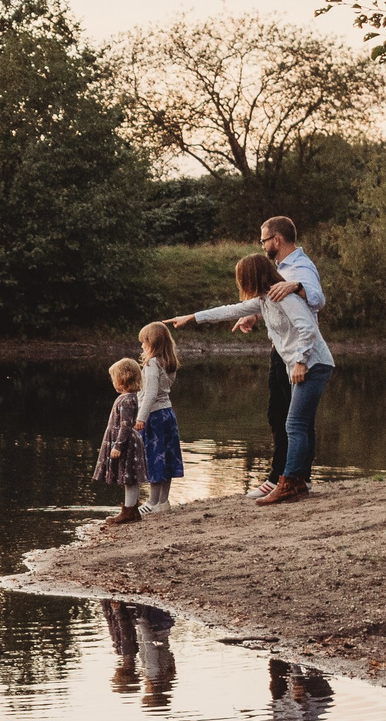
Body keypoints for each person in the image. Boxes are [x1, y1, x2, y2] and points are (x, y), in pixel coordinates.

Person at [167, 253, 335, 505]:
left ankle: (289, 482)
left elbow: (308, 328)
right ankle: (298, 481)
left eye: (241, 278)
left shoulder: (284, 296)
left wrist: (301, 361)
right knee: (299, 423)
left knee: (294, 424)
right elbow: (230, 310)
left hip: (313, 364)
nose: (240, 284)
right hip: (305, 364)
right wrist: (192, 317)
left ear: (251, 277)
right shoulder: (265, 300)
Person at [237, 217, 324, 497]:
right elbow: (275, 303)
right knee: (286, 415)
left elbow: (317, 298)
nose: (262, 246)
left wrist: (297, 286)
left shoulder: (299, 267)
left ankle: (281, 477)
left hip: (297, 351)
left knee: (286, 416)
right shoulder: (281, 268)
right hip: (283, 349)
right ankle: (298, 476)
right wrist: (252, 315)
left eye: (263, 240)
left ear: (276, 240)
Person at [135, 322, 185, 511]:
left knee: (155, 458)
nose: (141, 346)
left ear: (152, 343)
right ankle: (164, 502)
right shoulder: (169, 363)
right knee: (168, 456)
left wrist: (141, 418)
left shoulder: (152, 364)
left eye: (143, 342)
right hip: (168, 414)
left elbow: (150, 393)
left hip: (154, 416)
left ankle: (152, 502)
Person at [94, 357, 149, 524]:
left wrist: (118, 445)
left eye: (114, 378)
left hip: (127, 443)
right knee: (128, 477)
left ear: (123, 379)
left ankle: (129, 511)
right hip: (125, 441)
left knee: (129, 477)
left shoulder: (127, 400)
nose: (113, 382)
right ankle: (131, 510)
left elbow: (125, 425)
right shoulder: (127, 397)